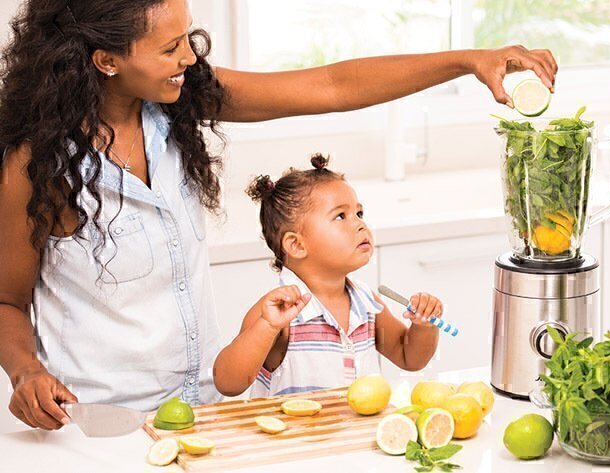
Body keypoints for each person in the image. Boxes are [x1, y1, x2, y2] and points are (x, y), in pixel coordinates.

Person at [0, 0, 558, 430]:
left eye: (188, 39)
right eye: (170, 48)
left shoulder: (178, 104)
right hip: (99, 425)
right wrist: (26, 372)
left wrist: (467, 60)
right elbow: (7, 300)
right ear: (107, 60)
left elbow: (332, 86)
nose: (190, 59)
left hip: (206, 411)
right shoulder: (38, 165)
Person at [213, 155, 443, 397]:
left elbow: (410, 358)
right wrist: (267, 326)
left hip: (356, 435)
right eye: (340, 216)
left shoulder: (366, 303)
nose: (360, 225)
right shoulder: (278, 313)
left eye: (359, 214)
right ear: (296, 245)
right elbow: (228, 383)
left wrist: (423, 327)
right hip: (296, 435)